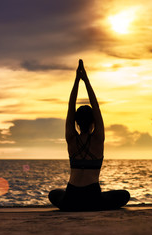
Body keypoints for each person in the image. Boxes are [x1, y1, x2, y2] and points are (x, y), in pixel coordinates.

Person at [48, 59, 130, 211]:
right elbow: (96, 108)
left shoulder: (71, 138)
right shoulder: (98, 139)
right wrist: (86, 80)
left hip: (71, 199)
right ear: (93, 122)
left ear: (76, 123)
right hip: (92, 199)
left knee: (54, 194)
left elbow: (70, 107)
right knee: (124, 194)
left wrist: (76, 81)